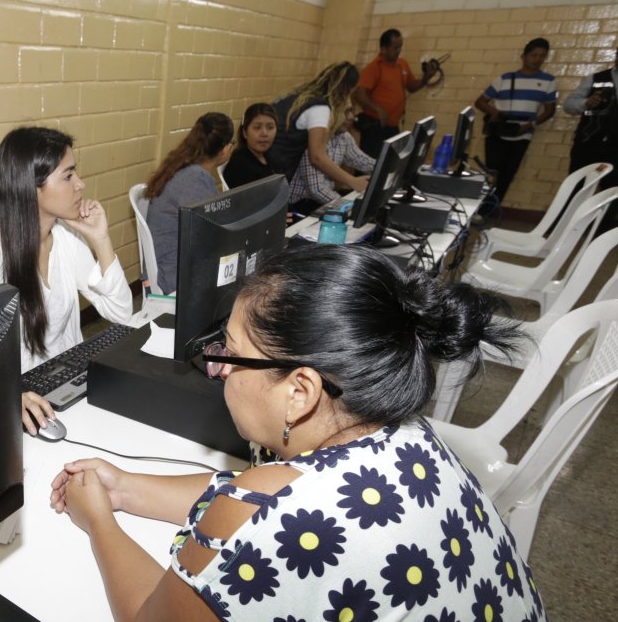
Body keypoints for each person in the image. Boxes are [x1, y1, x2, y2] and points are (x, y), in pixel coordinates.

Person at [49, 244, 543, 621]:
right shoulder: (409, 435)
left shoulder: (278, 513)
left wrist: (98, 522)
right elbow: (249, 503)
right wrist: (125, 487)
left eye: (231, 352)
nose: (217, 369)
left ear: (300, 392)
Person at [0, 127, 132, 434]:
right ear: (32, 186)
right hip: (22, 402)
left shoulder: (65, 239)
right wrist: (10, 394)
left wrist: (101, 239)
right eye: (68, 176)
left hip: (68, 384)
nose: (80, 184)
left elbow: (120, 314)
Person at [143, 112, 235, 295]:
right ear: (225, 149)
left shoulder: (185, 168)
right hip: (172, 276)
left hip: (172, 267)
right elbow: (214, 233)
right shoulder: (194, 178)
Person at [563, 34, 618, 229]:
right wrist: (586, 102)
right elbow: (568, 105)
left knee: (612, 190)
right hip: (588, 142)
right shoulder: (596, 78)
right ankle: (565, 228)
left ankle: (600, 234)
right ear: (617, 54)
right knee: (577, 186)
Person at [474, 37, 558, 217]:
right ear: (524, 56)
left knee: (507, 175)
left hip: (523, 133)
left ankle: (487, 211)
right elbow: (480, 102)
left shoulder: (548, 81)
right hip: (498, 132)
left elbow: (549, 111)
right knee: (492, 172)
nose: (537, 59)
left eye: (542, 56)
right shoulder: (505, 78)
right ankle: (478, 208)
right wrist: (495, 112)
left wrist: (529, 125)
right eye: (533, 55)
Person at [269, 62, 369, 198]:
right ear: (345, 90)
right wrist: (352, 181)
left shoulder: (299, 97)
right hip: (272, 175)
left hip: (263, 168)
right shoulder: (319, 107)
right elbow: (317, 157)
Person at [355, 29, 440, 157]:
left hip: (392, 126)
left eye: (400, 47)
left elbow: (411, 87)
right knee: (369, 166)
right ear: (383, 49)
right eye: (395, 47)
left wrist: (425, 78)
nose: (399, 50)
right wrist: (378, 109)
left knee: (390, 163)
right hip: (375, 127)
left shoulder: (402, 64)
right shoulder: (374, 68)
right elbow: (359, 95)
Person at [289, 105, 375, 216]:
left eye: (351, 111)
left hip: (323, 201)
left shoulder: (343, 136)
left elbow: (363, 161)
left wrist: (385, 167)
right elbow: (316, 190)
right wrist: (349, 207)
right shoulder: (312, 139)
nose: (351, 117)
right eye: (345, 111)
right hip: (301, 206)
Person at [223, 102, 277, 189]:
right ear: (244, 132)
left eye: (270, 127)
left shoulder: (271, 155)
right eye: (257, 127)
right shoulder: (239, 165)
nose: (264, 133)